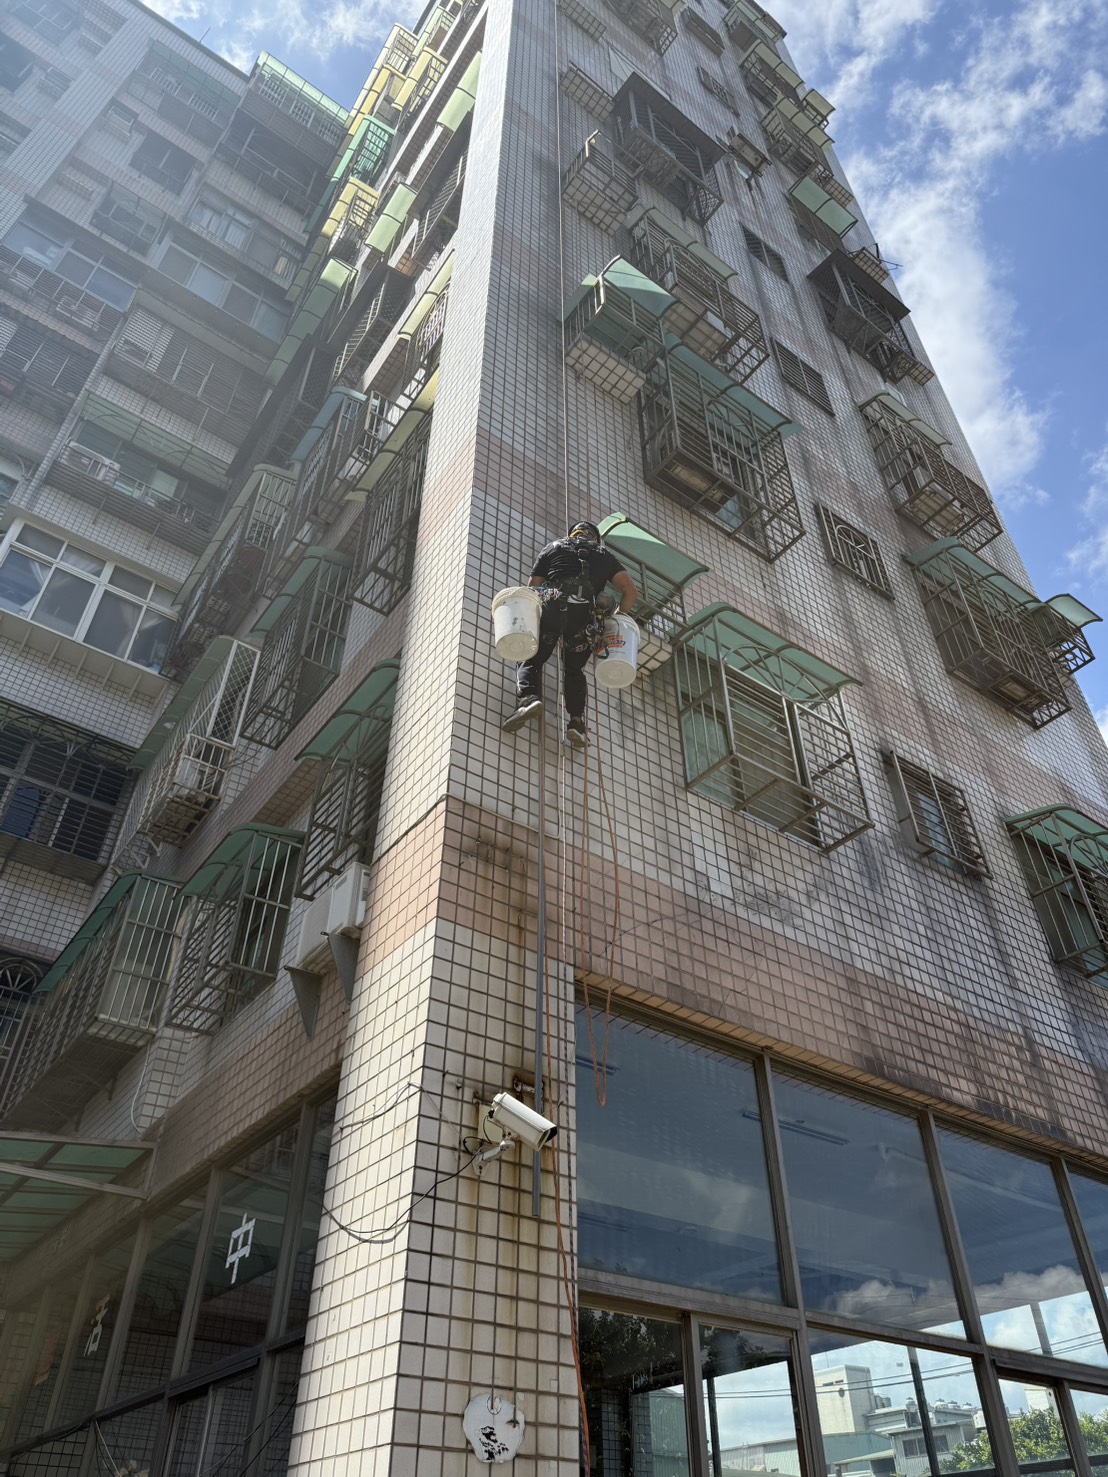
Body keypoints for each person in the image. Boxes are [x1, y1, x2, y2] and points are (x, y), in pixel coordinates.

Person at [502, 520, 638, 748]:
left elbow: (532, 588)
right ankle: (576, 723)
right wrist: (617, 620)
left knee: (531, 657)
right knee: (574, 670)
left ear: (572, 534)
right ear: (595, 538)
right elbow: (630, 591)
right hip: (583, 620)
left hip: (553, 611)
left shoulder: (553, 547)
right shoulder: (604, 554)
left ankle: (528, 699)